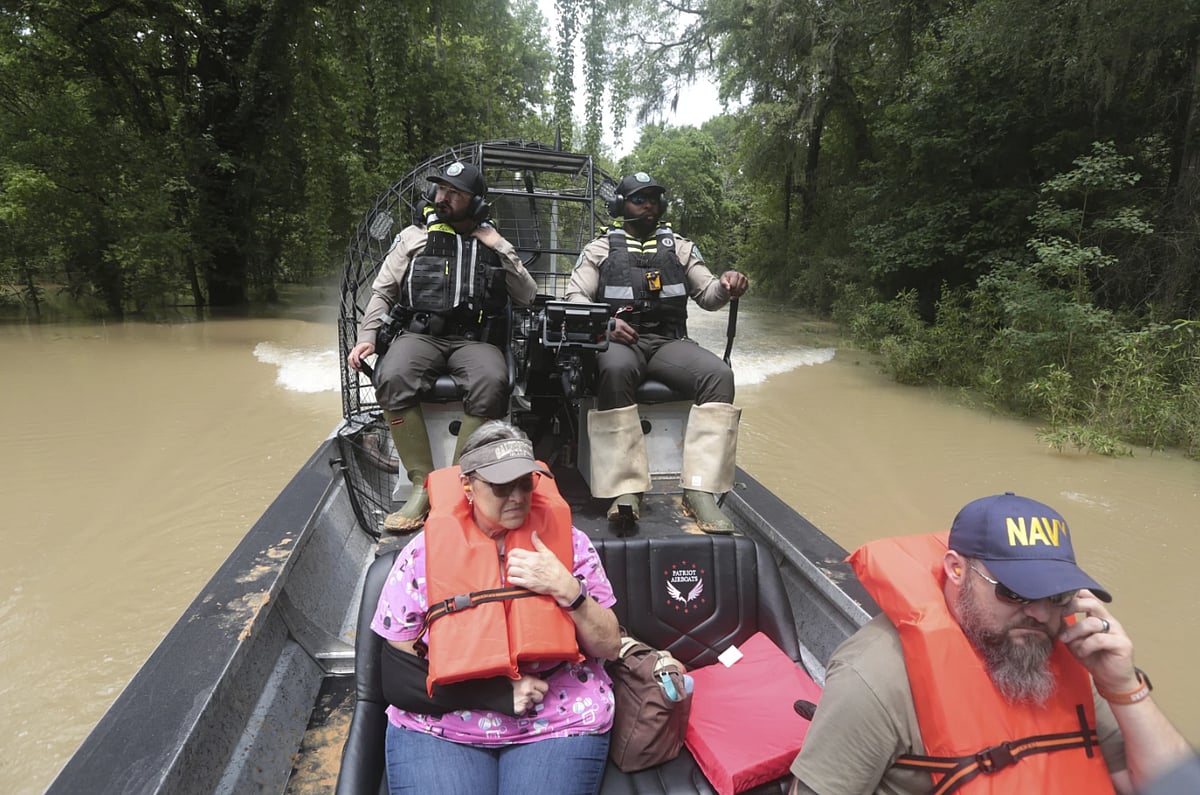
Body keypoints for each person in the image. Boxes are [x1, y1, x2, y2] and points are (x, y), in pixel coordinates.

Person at [789, 492, 1192, 795]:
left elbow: (1173, 787)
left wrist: (1123, 687)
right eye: (1015, 592)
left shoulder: (1069, 656)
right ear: (957, 569)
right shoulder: (875, 678)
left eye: (1056, 596)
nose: (1039, 614)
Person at [370, 420, 622, 795]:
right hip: (444, 724)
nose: (518, 496)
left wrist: (568, 589)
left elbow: (610, 646)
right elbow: (397, 675)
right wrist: (496, 695)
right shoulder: (422, 555)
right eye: (502, 487)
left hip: (557, 717)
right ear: (468, 486)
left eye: (525, 483)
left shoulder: (571, 545)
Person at [347, 161, 539, 533]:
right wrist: (368, 336)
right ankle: (422, 485)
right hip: (421, 335)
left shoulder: (494, 243)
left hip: (473, 340)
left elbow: (528, 295)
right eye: (440, 190)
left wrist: (499, 247)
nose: (443, 198)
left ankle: (455, 483)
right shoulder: (413, 238)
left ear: (476, 203)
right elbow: (383, 292)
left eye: (455, 193)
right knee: (392, 375)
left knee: (492, 381)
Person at [564, 171, 749, 532]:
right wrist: (605, 325)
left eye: (654, 199)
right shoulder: (599, 249)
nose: (649, 206)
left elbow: (709, 296)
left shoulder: (679, 247)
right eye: (639, 199)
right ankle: (625, 490)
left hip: (667, 342)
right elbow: (575, 299)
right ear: (621, 205)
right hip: (620, 342)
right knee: (614, 371)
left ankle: (700, 491)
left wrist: (728, 285)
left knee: (719, 376)